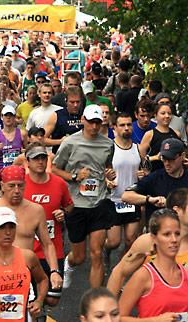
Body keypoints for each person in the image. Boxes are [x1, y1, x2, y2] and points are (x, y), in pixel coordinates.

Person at [53, 104, 115, 288]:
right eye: (90, 122)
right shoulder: (70, 142)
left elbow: (107, 166)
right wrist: (74, 176)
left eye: (97, 122)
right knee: (79, 257)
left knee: (96, 254)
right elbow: (55, 169)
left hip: (99, 202)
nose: (94, 126)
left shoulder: (107, 144)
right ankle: (69, 263)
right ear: (83, 120)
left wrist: (109, 174)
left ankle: (94, 302)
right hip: (76, 204)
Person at [0, 165, 63, 291]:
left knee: (39, 304)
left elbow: (47, 244)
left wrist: (54, 270)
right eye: (11, 186)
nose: (16, 190)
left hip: (25, 273)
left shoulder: (36, 210)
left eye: (20, 186)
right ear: (2, 185)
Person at [108, 187, 188, 296]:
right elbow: (119, 272)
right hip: (153, 310)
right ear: (176, 210)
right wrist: (108, 308)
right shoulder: (148, 242)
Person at [23, 143, 74, 307]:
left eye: (43, 158)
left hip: (52, 247)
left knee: (52, 299)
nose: (40, 162)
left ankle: (40, 305)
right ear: (27, 162)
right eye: (36, 158)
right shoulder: (20, 185)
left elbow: (69, 206)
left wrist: (63, 213)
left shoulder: (59, 183)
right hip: (27, 249)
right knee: (27, 295)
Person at [119, 209, 188, 320]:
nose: (174, 239)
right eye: (167, 234)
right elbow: (118, 318)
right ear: (154, 238)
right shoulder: (143, 276)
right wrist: (155, 320)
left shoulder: (185, 274)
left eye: (177, 234)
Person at [0, 207, 49, 322]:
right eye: (1, 227)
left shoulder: (28, 257)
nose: (8, 232)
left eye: (12, 227)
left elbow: (43, 280)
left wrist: (39, 301)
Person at [104, 113, 142, 265]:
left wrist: (143, 175)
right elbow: (101, 170)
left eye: (128, 125)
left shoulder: (138, 148)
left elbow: (145, 170)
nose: (126, 128)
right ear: (115, 128)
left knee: (130, 239)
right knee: (114, 242)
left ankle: (122, 267)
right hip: (114, 200)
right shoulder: (109, 147)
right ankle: (106, 251)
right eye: (122, 125)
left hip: (132, 199)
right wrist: (106, 179)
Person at [122, 137, 188, 225]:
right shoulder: (154, 178)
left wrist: (168, 202)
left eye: (171, 159)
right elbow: (126, 196)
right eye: (164, 159)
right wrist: (149, 199)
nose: (167, 163)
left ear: (182, 156)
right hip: (158, 231)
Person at [140, 103, 180, 172]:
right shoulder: (150, 134)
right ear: (155, 115)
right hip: (155, 174)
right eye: (163, 113)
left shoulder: (176, 133)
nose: (167, 116)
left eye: (169, 113)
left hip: (174, 175)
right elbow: (140, 159)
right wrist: (155, 157)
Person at [0, 105, 27, 172]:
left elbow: (29, 153)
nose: (8, 118)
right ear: (2, 117)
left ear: (14, 117)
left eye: (11, 115)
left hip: (19, 170)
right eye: (6, 115)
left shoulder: (22, 134)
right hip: (3, 171)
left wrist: (25, 152)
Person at [44, 86, 84, 153]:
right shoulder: (57, 115)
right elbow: (42, 139)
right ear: (66, 101)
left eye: (78, 102)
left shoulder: (86, 114)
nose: (75, 105)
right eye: (72, 102)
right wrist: (60, 141)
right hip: (61, 156)